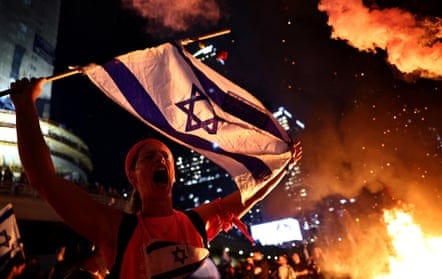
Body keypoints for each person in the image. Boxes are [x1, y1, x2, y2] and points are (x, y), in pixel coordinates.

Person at [10, 78, 302, 278]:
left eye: (166, 157)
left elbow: (251, 192)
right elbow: (44, 180)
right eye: (149, 157)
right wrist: (25, 107)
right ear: (133, 177)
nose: (161, 159)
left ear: (173, 176)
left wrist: (281, 163)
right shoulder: (116, 229)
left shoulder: (196, 222)